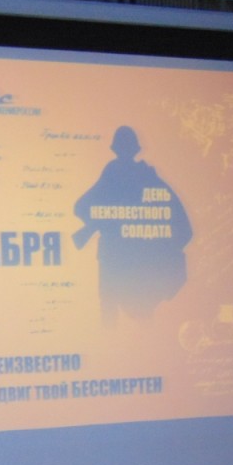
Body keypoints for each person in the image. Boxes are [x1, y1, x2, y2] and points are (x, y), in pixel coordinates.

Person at [72, 125, 192, 326]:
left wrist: (104, 221)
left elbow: (81, 207)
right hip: (124, 258)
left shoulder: (117, 172)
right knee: (125, 314)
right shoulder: (139, 175)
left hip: (121, 257)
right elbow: (81, 207)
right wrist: (104, 220)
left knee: (114, 312)